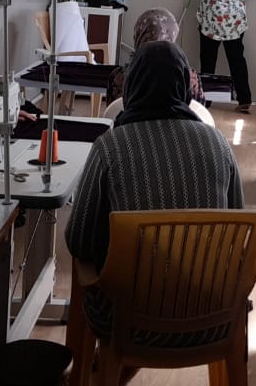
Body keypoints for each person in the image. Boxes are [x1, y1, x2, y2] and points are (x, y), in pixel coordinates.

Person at [66, 41, 244, 343]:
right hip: (213, 315)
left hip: (128, 321)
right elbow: (237, 228)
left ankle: (98, 371)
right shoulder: (217, 143)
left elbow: (79, 241)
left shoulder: (111, 147)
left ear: (132, 84)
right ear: (183, 85)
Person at [104, 7, 204, 106]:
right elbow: (199, 115)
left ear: (138, 35)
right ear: (173, 35)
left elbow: (112, 116)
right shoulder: (190, 78)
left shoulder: (118, 77)